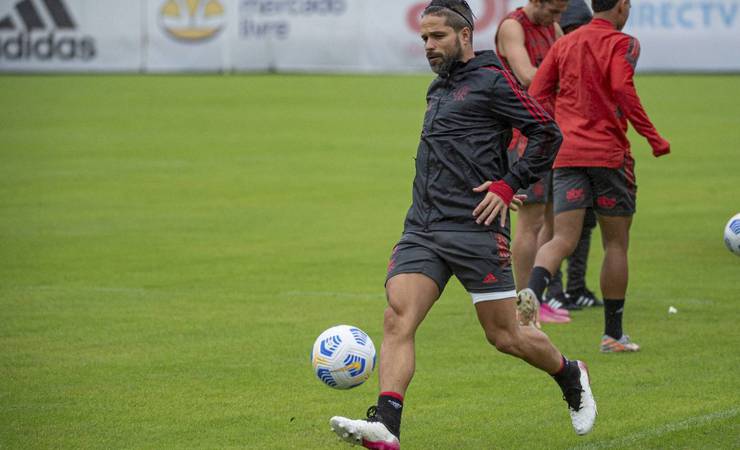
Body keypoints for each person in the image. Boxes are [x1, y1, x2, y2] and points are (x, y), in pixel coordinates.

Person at [329, 2, 596, 448]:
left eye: (438, 37)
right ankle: (387, 426)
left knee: (505, 335)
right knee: (398, 317)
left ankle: (570, 374)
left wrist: (510, 185)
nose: (429, 47)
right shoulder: (437, 88)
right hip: (424, 227)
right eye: (424, 39)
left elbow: (547, 132)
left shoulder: (492, 78)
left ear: (466, 35)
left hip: (476, 228)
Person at [522, 0, 671, 352]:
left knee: (561, 239)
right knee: (615, 244)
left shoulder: (564, 43)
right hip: (608, 156)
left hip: (568, 155)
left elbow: (537, 94)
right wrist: (653, 137)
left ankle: (531, 292)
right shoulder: (624, 43)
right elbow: (622, 89)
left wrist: (532, 138)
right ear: (621, 6)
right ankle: (613, 335)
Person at [494, 0, 572, 323]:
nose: (557, 19)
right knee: (530, 222)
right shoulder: (513, 26)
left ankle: (535, 298)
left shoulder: (551, 25)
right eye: (553, 10)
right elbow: (527, 76)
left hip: (553, 132)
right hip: (524, 136)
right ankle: (522, 306)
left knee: (552, 221)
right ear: (536, 1)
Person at [543, 0, 604, 311]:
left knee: (585, 219)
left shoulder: (590, 53)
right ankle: (553, 289)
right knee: (554, 221)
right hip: (556, 146)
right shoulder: (560, 52)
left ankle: (576, 287)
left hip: (588, 148)